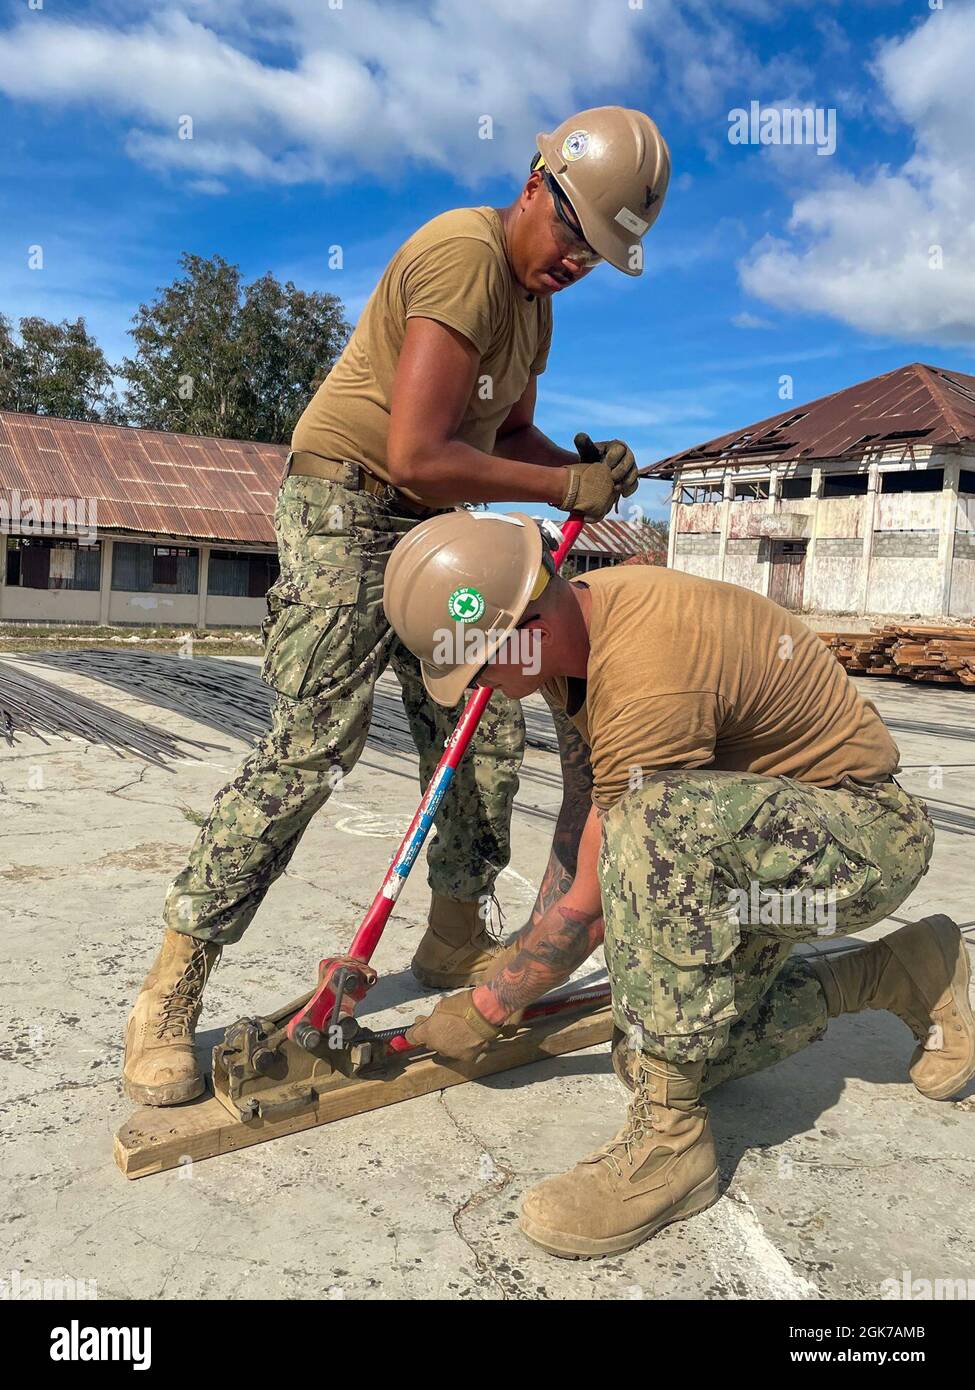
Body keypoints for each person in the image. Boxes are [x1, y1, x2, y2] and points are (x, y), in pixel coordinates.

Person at [122, 107, 672, 1106]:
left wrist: (581, 466)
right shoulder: (464, 255)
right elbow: (418, 450)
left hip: (431, 523)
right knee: (312, 744)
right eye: (574, 232)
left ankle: (453, 933)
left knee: (481, 718)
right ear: (535, 184)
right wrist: (561, 490)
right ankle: (172, 984)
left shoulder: (535, 306)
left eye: (598, 253)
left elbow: (504, 434)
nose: (576, 261)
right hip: (349, 504)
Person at [383, 509, 974, 1258]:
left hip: (860, 840)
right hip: (758, 848)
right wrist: (517, 967)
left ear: (529, 625)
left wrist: (491, 1004)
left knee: (654, 826)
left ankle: (671, 1146)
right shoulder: (574, 634)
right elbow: (584, 817)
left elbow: (603, 891)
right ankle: (895, 971)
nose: (481, 690)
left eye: (478, 669)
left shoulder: (646, 678)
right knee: (655, 1053)